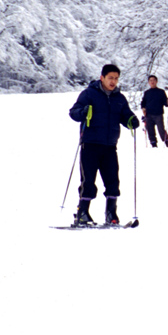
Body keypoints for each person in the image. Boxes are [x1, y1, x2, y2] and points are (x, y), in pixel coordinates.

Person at [68, 64, 139, 226]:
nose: (113, 81)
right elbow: (73, 112)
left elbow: (125, 115)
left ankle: (111, 213)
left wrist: (131, 120)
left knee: (112, 180)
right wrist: (82, 112)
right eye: (110, 78)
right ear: (102, 78)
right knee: (88, 180)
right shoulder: (89, 94)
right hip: (90, 144)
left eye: (116, 78)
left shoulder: (119, 98)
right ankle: (83, 212)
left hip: (110, 145)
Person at [140, 75, 168, 148]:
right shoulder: (147, 93)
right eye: (150, 80)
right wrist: (143, 109)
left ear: (156, 81)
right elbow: (143, 103)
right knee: (150, 131)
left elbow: (165, 103)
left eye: (153, 80)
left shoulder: (161, 92)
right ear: (148, 82)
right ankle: (153, 145)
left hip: (158, 115)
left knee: (161, 131)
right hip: (148, 115)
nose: (152, 82)